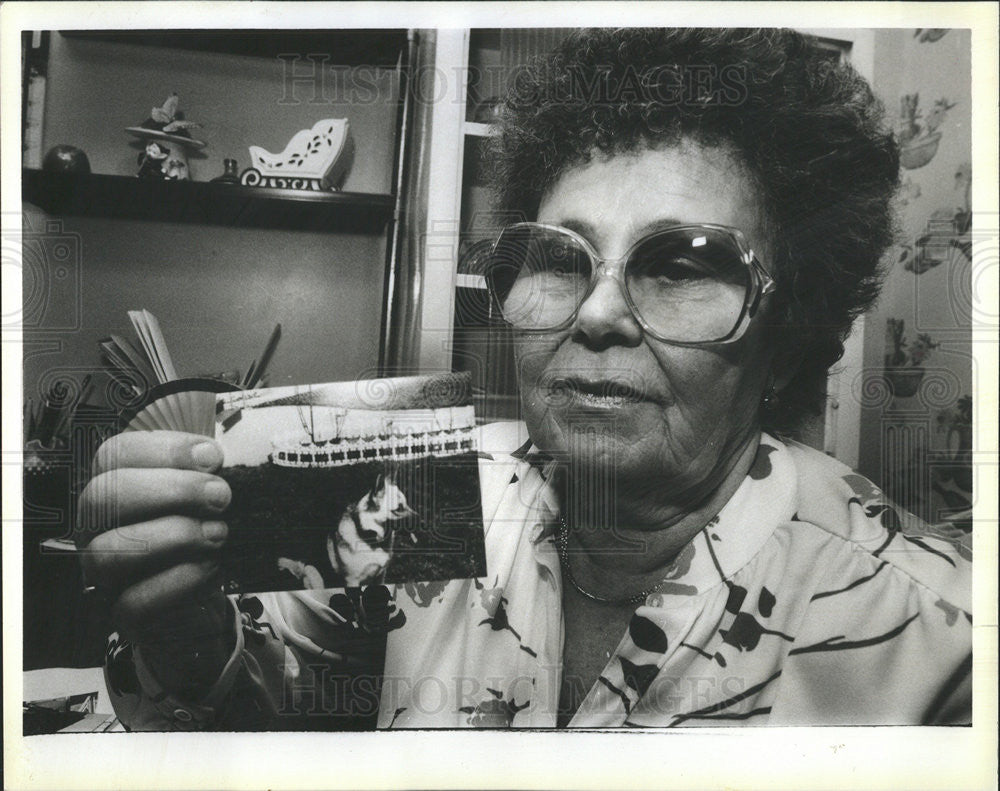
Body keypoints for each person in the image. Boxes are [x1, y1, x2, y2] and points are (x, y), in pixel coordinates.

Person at [76, 28, 971, 729]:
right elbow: (262, 698)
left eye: (685, 264)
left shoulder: (939, 645)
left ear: (785, 336)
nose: (595, 313)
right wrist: (185, 634)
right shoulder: (430, 489)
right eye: (557, 256)